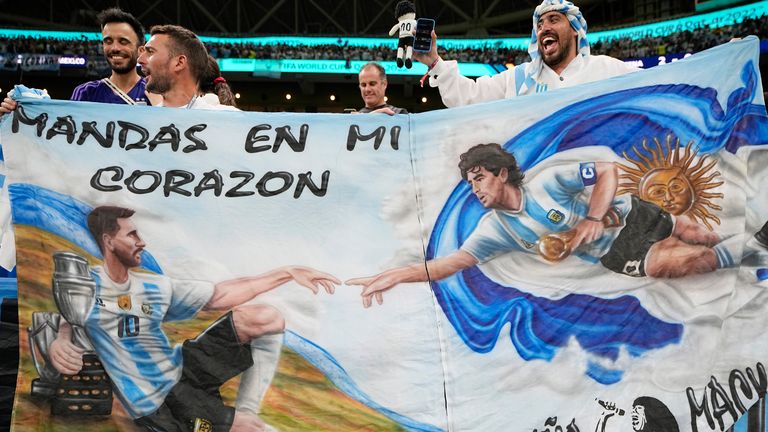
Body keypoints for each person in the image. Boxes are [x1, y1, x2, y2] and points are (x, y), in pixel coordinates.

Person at [347, 143, 758, 307]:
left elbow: (606, 170)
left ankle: (753, 251)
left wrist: (593, 217)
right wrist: (394, 276)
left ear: (501, 173)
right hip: (619, 253)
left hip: (630, 212)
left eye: (479, 178)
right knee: (689, 262)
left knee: (701, 235)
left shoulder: (548, 181)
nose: (475, 189)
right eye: (470, 183)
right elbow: (447, 264)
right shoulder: (496, 230)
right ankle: (757, 248)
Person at [48, 206, 339, 431]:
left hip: (181, 368)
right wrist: (60, 340)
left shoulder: (153, 286)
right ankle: (241, 423)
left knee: (265, 317)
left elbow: (219, 296)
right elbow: (69, 315)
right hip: (158, 400)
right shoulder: (86, 285)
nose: (142, 241)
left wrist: (286, 273)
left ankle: (246, 411)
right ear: (109, 241)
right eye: (132, 235)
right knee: (249, 429)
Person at [413, 0, 638, 107]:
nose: (544, 28)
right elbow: (468, 97)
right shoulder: (519, 78)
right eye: (539, 25)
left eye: (554, 20)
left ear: (575, 30)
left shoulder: (608, 70)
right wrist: (434, 62)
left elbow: (653, 91)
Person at [0, 7, 158, 115]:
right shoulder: (85, 92)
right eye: (108, 41)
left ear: (140, 50)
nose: (114, 48)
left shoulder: (156, 92)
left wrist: (160, 108)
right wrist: (18, 114)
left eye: (123, 41)